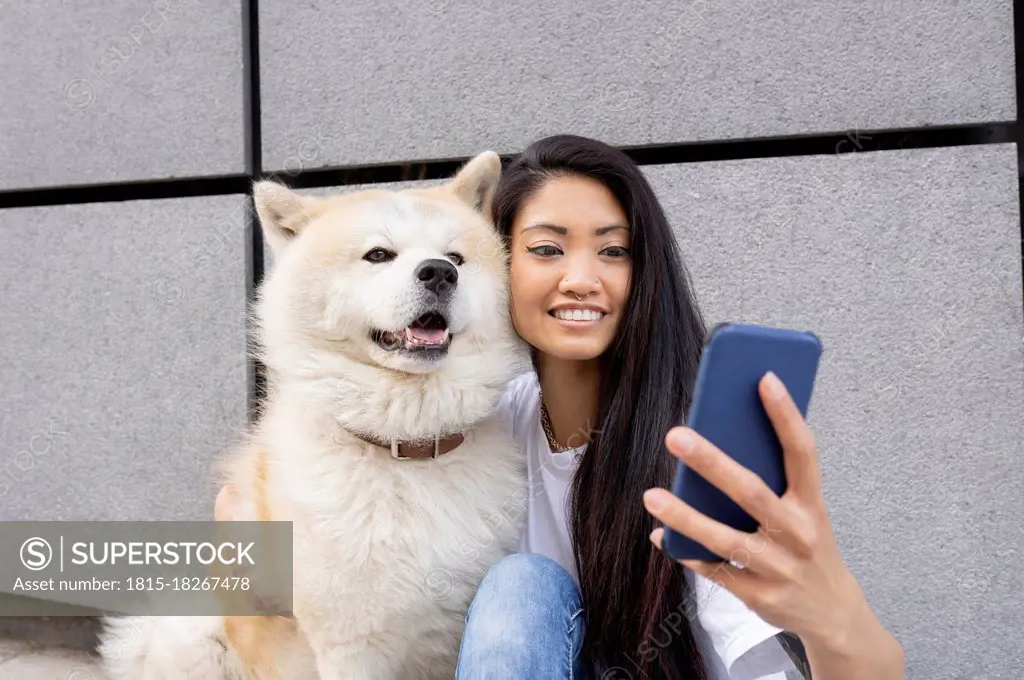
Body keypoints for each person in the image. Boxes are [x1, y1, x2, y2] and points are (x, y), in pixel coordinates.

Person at [218, 134, 905, 680]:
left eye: (614, 251)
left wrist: (833, 612)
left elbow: (866, 670)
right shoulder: (471, 422)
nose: (582, 277)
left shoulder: (690, 450)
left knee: (520, 588)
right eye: (547, 249)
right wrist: (244, 542)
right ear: (504, 267)